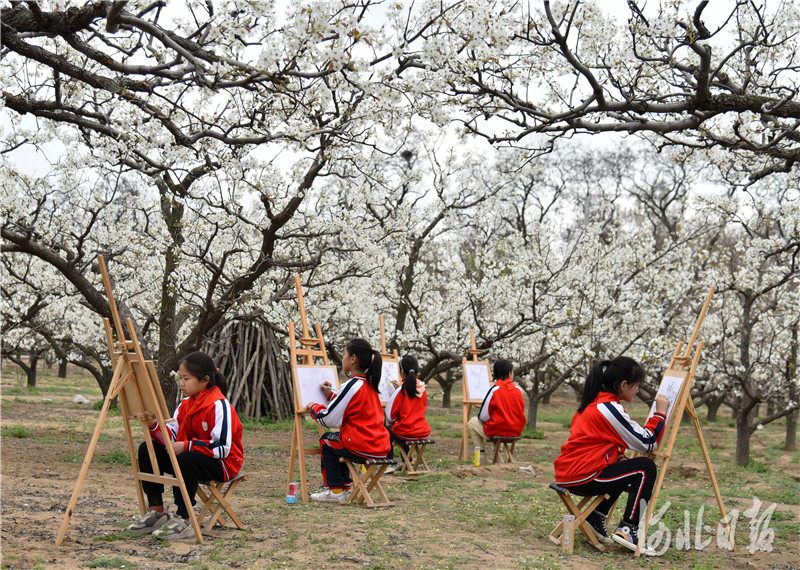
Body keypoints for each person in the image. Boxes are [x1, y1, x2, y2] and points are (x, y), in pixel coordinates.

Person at [553, 356, 669, 555]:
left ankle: (595, 516)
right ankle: (628, 530)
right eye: (636, 385)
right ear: (623, 385)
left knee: (623, 465)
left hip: (570, 473)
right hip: (584, 475)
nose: (638, 390)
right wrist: (660, 413)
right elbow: (648, 442)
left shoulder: (594, 403)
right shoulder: (608, 409)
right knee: (645, 467)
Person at [127, 351, 244, 540]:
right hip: (191, 457)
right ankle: (157, 511)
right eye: (180, 378)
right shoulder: (185, 404)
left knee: (185, 458)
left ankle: (184, 518)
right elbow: (172, 436)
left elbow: (223, 448)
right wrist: (154, 426)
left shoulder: (220, 406)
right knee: (147, 449)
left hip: (223, 464)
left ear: (205, 380)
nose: (181, 383)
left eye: (186, 379)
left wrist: (187, 446)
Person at [307, 338, 391, 503]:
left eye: (344, 354)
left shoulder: (353, 385)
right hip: (380, 446)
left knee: (327, 440)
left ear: (353, 359)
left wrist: (314, 407)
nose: (342, 358)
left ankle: (336, 490)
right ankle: (345, 489)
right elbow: (350, 405)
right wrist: (332, 395)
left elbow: (328, 419)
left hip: (361, 444)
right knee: (339, 441)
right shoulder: (369, 384)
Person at [467, 359, 526, 455]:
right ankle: (499, 454)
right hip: (516, 431)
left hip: (497, 431)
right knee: (499, 424)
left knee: (472, 422)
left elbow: (482, 417)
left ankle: (482, 456)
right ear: (509, 374)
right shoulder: (519, 390)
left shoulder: (494, 390)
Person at [385, 355, 431, 464]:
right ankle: (407, 462)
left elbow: (390, 417)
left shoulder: (401, 391)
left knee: (388, 430)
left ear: (402, 371)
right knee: (402, 427)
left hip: (406, 432)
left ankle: (389, 463)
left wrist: (397, 391)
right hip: (422, 431)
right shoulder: (422, 389)